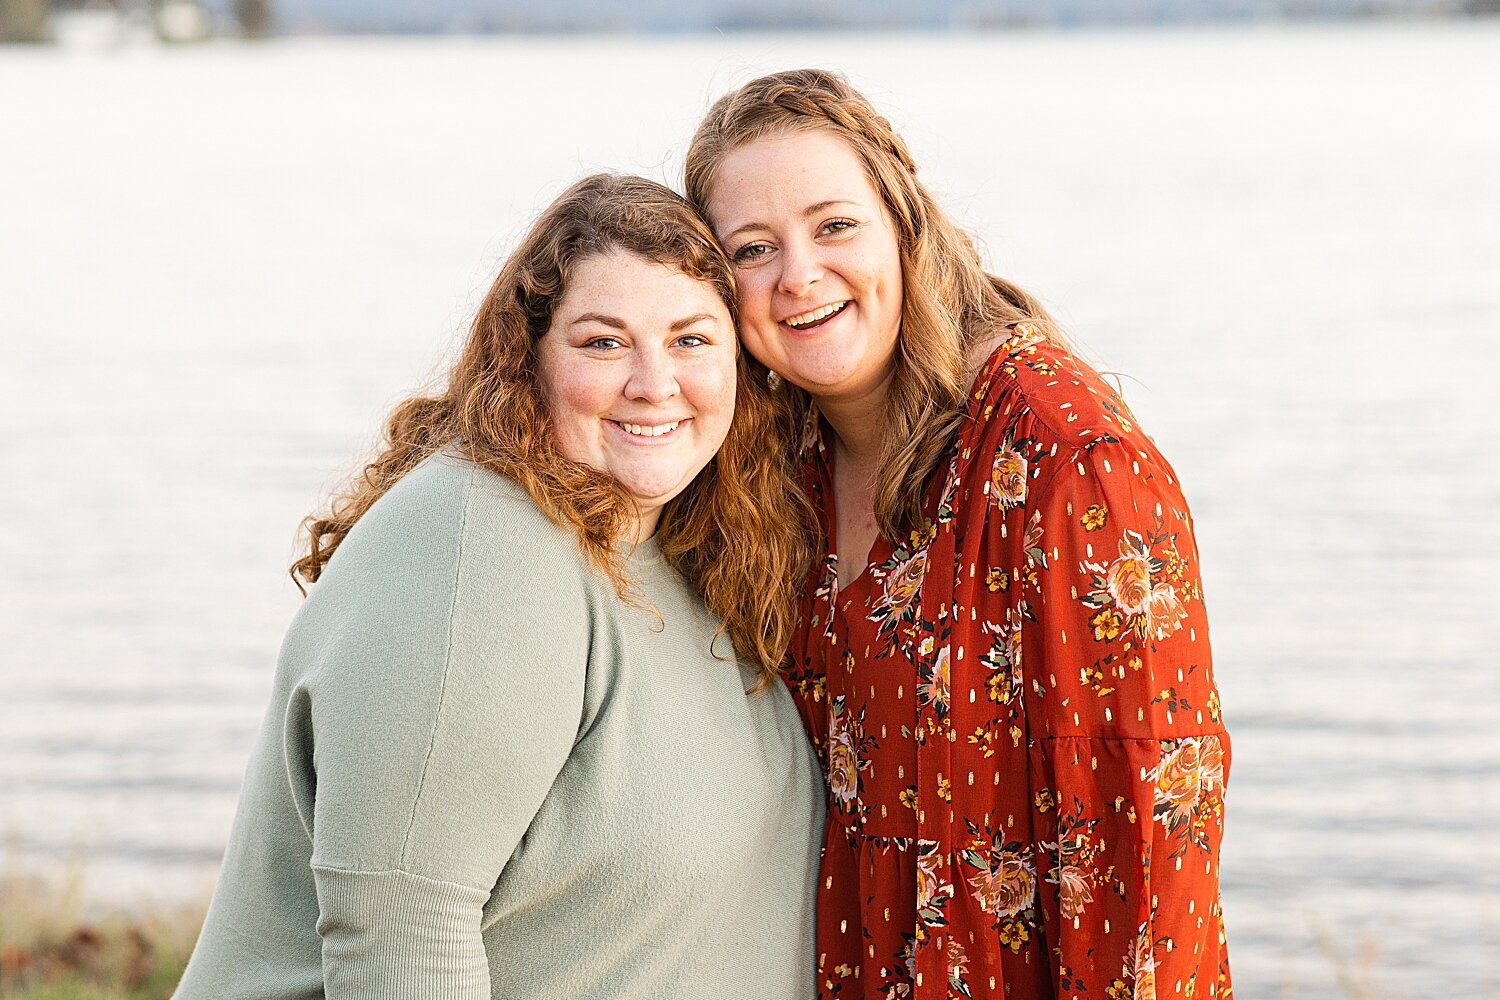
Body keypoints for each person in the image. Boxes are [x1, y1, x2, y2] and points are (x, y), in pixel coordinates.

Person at [174, 173, 824, 999]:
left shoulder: (678, 545)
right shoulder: (476, 546)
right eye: (603, 343)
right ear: (529, 363)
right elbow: (401, 950)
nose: (655, 383)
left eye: (692, 340)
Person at [685, 69, 1231, 999]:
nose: (798, 275)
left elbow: (1147, 851)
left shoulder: (1066, 461)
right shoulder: (777, 460)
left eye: (835, 225)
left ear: (903, 219)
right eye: (751, 248)